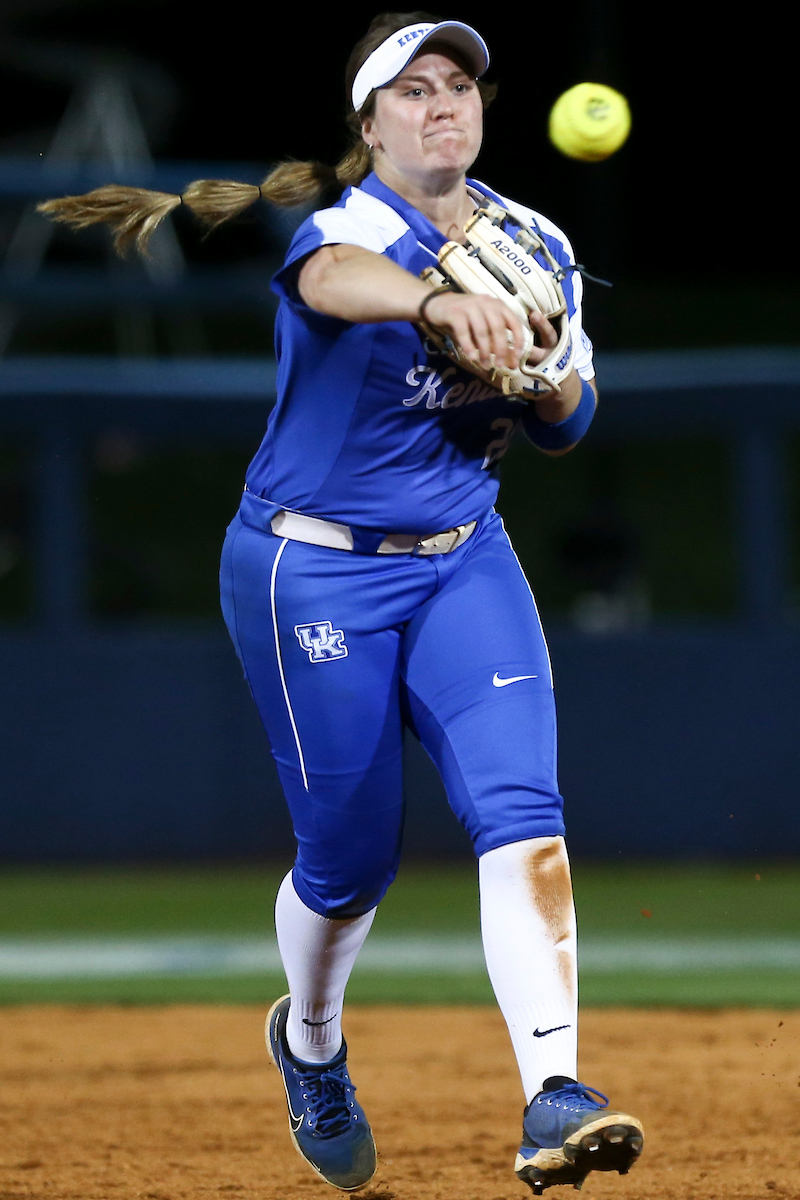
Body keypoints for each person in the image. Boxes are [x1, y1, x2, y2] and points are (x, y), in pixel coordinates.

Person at [38, 12, 644, 1195]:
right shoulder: (348, 227)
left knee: (521, 805)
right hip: (310, 567)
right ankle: (309, 1044)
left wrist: (539, 368)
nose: (442, 105)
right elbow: (327, 276)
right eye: (411, 90)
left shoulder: (534, 241)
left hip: (464, 555)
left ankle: (553, 1092)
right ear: (367, 127)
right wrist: (432, 306)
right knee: (349, 861)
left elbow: (568, 423)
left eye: (458, 85)